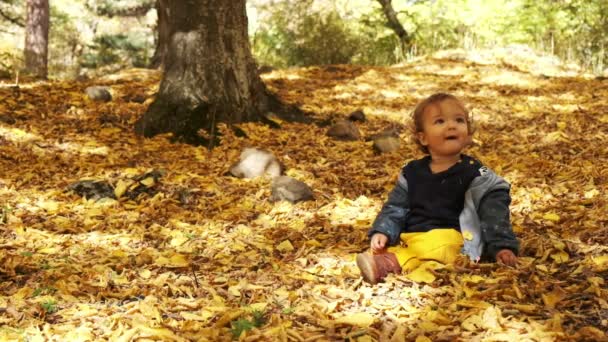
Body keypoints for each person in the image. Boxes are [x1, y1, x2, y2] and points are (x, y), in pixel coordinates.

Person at [356, 93, 519, 284]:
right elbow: (395, 207)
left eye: (459, 120)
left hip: (454, 239)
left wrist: (502, 246)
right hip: (413, 237)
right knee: (389, 247)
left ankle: (390, 264)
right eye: (440, 121)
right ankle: (389, 260)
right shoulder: (412, 172)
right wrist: (382, 232)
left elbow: (494, 211)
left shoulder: (476, 174)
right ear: (423, 138)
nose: (451, 125)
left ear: (468, 133)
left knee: (442, 245)